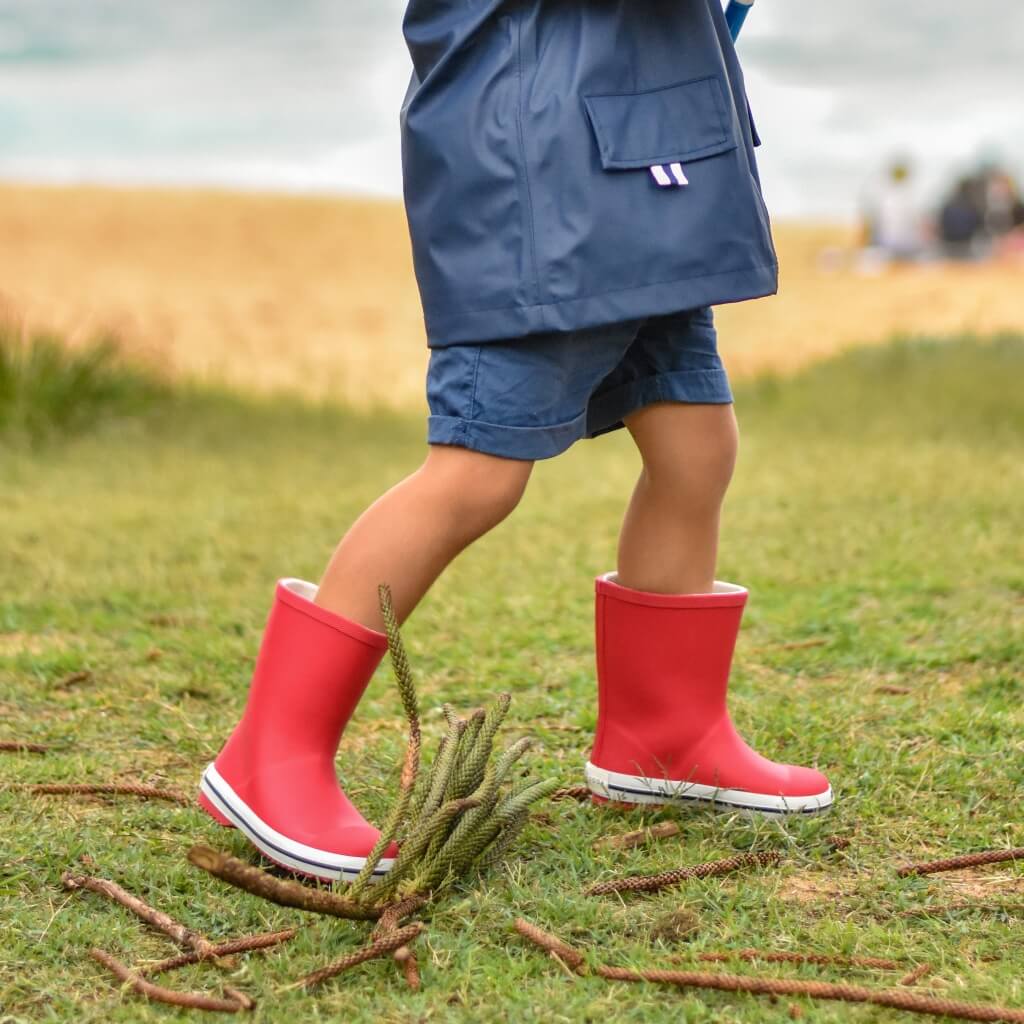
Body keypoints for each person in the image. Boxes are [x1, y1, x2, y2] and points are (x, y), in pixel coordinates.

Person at [197, 0, 833, 882]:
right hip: (542, 171)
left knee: (694, 443)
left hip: (640, 151)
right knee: (477, 473)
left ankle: (666, 737)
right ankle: (272, 755)